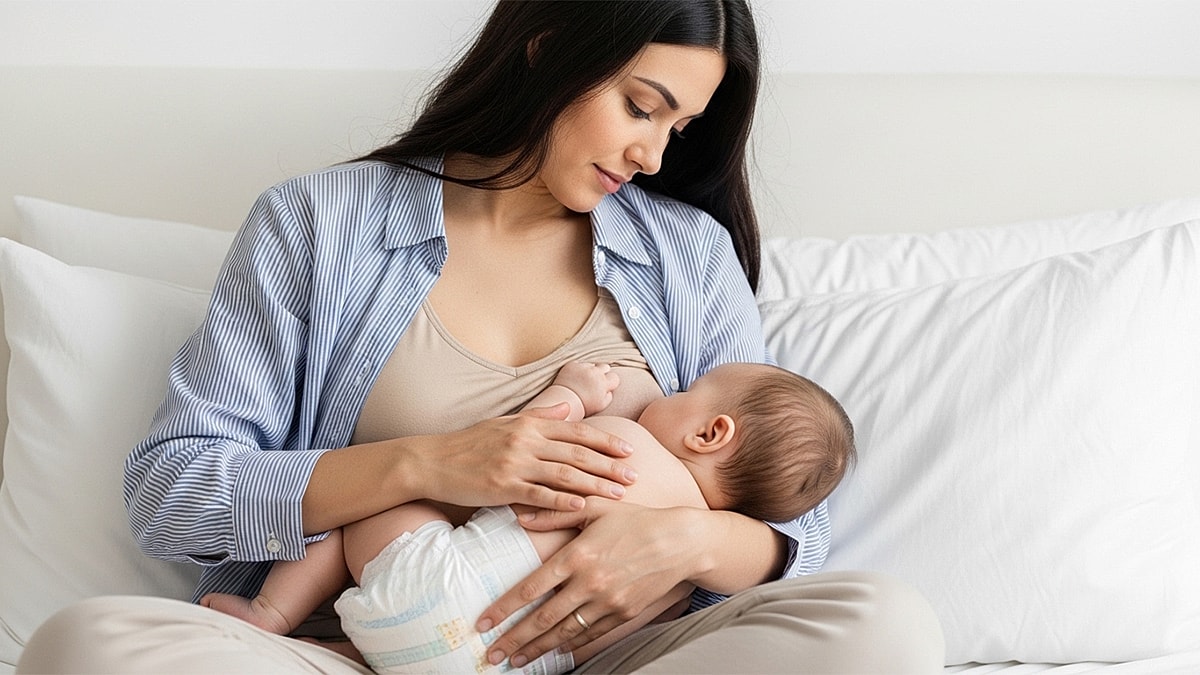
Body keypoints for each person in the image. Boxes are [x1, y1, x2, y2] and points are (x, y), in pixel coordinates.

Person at [16, 2, 944, 673]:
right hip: (370, 651)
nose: (654, 154)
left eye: (681, 126)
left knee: (881, 623)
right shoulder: (319, 223)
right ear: (548, 51)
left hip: (607, 658)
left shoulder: (687, 256)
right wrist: (429, 463)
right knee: (90, 646)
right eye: (640, 106)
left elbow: (795, 528)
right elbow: (172, 492)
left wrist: (688, 545)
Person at [200, 359, 857, 672]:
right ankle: (363, 650)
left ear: (710, 433)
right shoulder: (678, 588)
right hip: (502, 666)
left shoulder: (627, 445)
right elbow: (591, 641)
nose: (673, 390)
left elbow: (518, 445)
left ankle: (271, 616)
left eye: (689, 390)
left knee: (378, 496)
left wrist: (572, 392)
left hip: (427, 585)